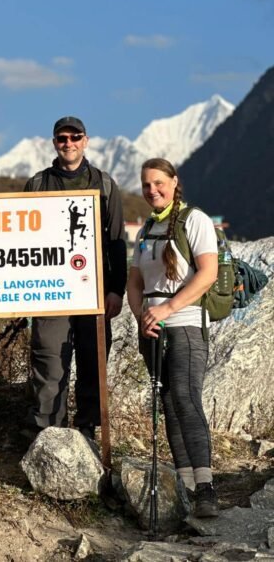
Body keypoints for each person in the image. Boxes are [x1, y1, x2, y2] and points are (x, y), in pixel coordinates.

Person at [23, 116, 127, 441]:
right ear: (54, 142)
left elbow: (117, 242)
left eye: (74, 137)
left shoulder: (105, 184)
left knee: (93, 361)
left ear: (86, 140)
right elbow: (22, 241)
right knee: (49, 363)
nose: (68, 143)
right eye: (62, 138)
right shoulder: (37, 184)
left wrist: (116, 291)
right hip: (50, 293)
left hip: (94, 293)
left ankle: (86, 432)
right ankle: (47, 436)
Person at [127, 158, 219, 518]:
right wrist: (141, 317)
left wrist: (166, 309)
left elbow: (208, 273)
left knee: (185, 396)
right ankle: (186, 485)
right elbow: (136, 282)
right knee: (168, 401)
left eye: (159, 183)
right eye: (146, 185)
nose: (152, 190)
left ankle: (207, 487)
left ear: (174, 182)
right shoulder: (147, 228)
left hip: (186, 323)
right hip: (153, 328)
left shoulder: (194, 220)